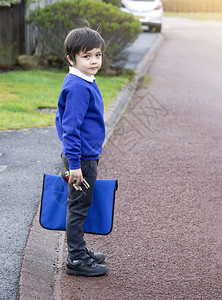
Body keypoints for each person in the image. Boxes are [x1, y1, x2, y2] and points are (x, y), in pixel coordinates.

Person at [55, 27, 108, 277]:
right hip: (81, 161)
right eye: (86, 56)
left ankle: (80, 250)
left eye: (97, 55)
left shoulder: (83, 80)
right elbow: (70, 128)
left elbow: (62, 119)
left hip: (84, 156)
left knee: (79, 206)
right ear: (71, 58)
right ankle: (76, 259)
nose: (94, 61)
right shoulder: (78, 86)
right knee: (78, 208)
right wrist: (74, 163)